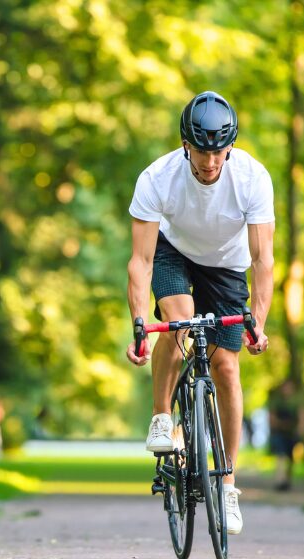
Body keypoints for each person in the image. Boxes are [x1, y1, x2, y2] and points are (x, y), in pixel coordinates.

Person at [125, 91, 275, 536]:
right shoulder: (157, 178)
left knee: (227, 368)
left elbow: (263, 260)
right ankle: (161, 416)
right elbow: (140, 261)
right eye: (200, 151)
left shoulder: (252, 178)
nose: (210, 162)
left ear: (230, 147)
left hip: (228, 264)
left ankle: (227, 485)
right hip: (174, 252)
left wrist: (258, 323)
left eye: (218, 152)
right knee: (181, 324)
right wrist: (139, 326)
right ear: (185, 145)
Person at [268, 378, 303, 491]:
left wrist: (299, 431)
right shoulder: (277, 400)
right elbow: (272, 417)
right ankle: (280, 480)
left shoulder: (297, 401)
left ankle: (287, 480)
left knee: (290, 458)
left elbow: (303, 417)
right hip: (279, 433)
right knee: (280, 455)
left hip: (292, 434)